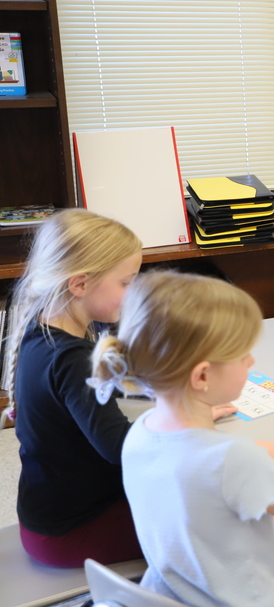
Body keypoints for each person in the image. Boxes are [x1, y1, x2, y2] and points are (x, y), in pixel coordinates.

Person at [94, 271, 274, 607]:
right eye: (242, 356)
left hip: (173, 597)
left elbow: (241, 456)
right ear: (203, 376)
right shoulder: (230, 459)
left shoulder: (143, 431)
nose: (251, 361)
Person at [6, 209, 145, 567]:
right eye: (126, 283)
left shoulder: (42, 329)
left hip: (49, 516)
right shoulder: (71, 358)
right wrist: (183, 418)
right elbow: (120, 448)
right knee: (208, 518)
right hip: (69, 532)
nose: (133, 294)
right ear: (79, 284)